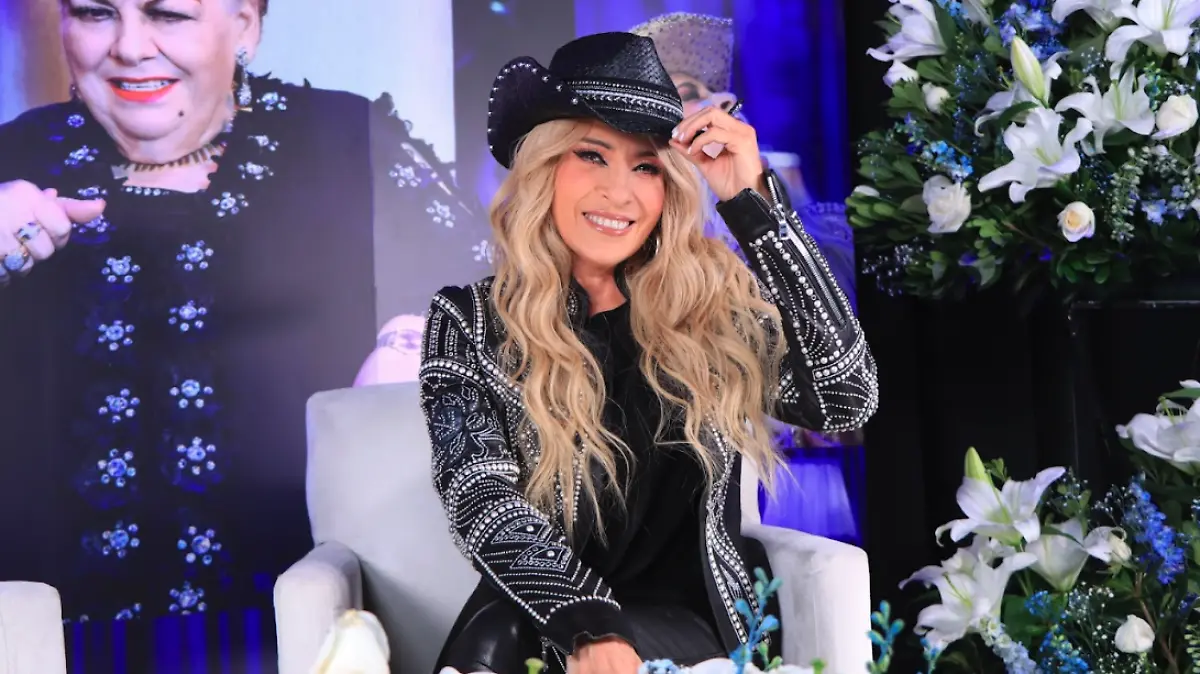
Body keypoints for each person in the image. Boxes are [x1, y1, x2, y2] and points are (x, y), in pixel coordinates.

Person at [0, 0, 479, 653]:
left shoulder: (343, 139)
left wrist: (408, 342)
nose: (130, 47)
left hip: (304, 623)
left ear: (245, 25)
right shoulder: (13, 157)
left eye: (168, 15)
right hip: (48, 638)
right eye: (94, 13)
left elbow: (503, 299)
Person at [420, 32, 878, 674]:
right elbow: (479, 495)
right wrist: (589, 620)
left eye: (646, 167)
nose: (621, 193)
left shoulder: (711, 307)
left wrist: (754, 205)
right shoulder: (467, 319)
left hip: (688, 623)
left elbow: (845, 398)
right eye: (592, 155)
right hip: (539, 612)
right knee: (502, 634)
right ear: (544, 168)